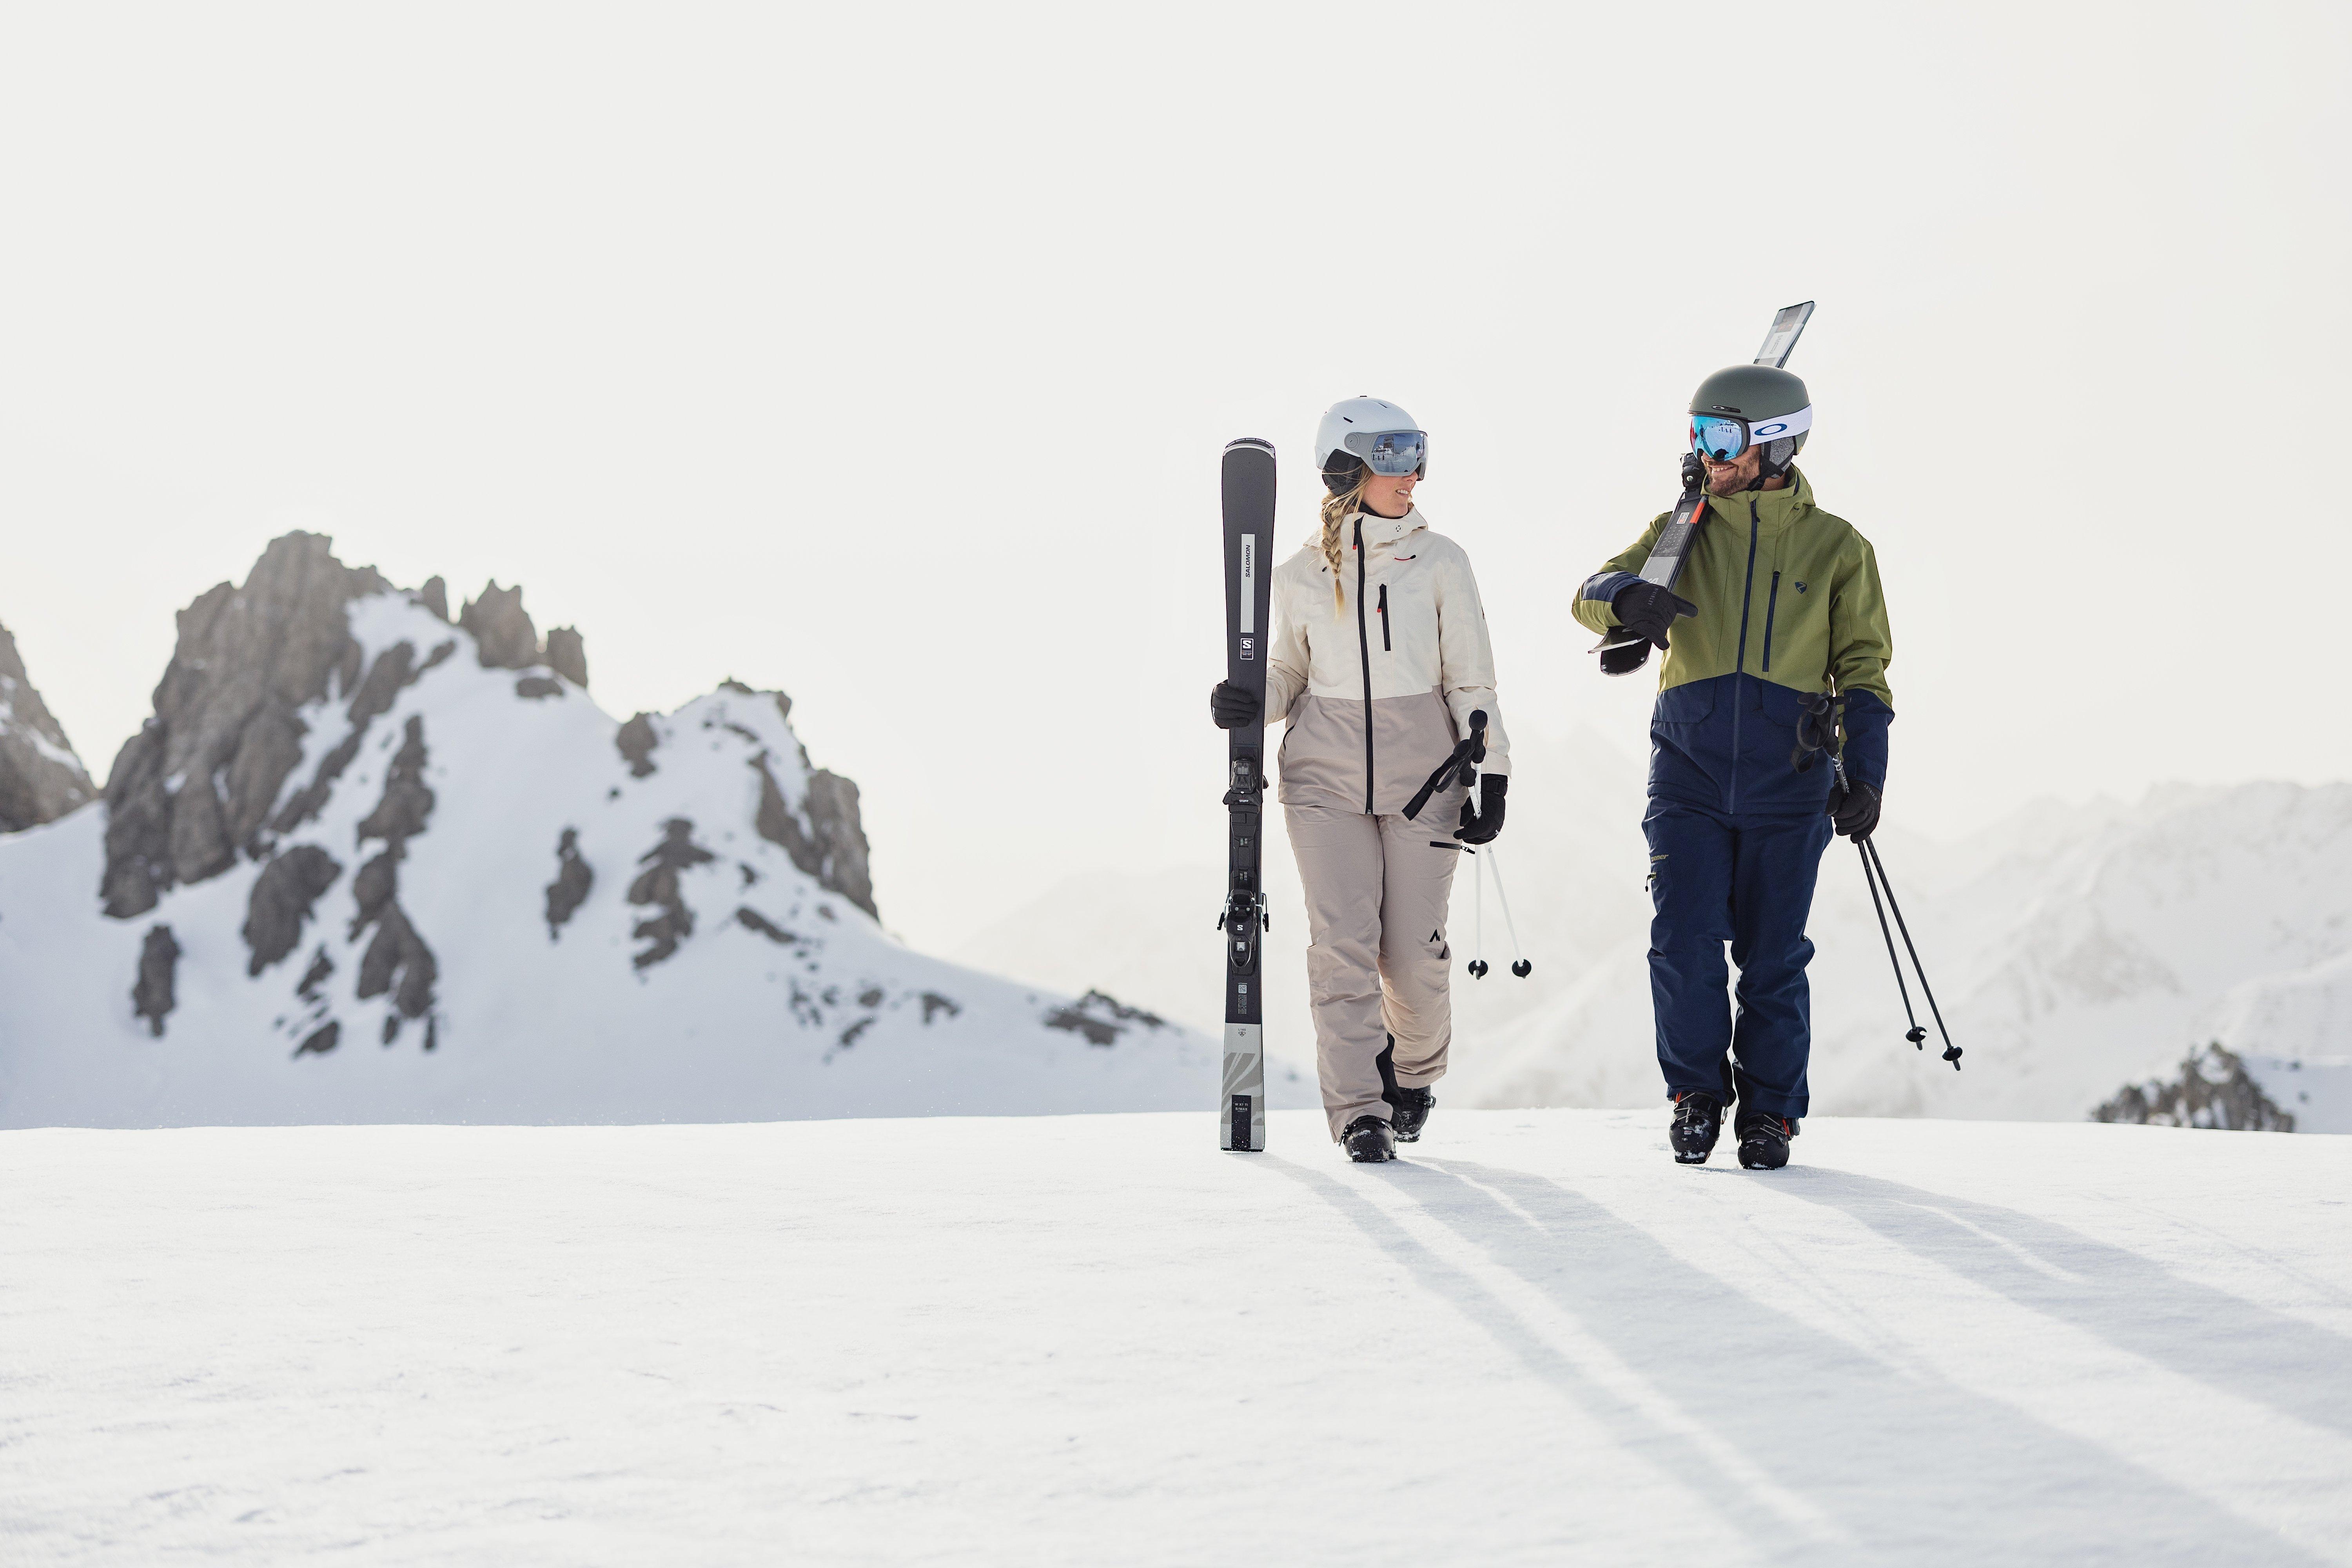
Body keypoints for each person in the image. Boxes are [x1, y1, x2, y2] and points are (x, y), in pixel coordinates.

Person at [1571, 365, 1892, 1171]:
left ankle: (1771, 1113)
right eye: (1698, 435)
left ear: (1777, 444)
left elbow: (1863, 668)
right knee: (1681, 941)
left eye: (1723, 438)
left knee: (1774, 956)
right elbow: (1589, 591)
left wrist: (1867, 772)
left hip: (1791, 777)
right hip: (1690, 769)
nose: (1706, 454)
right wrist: (1627, 598)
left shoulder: (1838, 548)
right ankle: (1696, 1096)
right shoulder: (1682, 530)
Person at [1209, 397, 1510, 1163]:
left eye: (1418, 454)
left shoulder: (1441, 561)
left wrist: (1493, 774)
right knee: (1342, 947)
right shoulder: (1299, 574)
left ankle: (1412, 1075)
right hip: (1324, 782)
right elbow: (1287, 672)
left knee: (1413, 959)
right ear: (1346, 469)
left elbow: (1472, 678)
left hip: (1426, 780)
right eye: (1393, 457)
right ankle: (1358, 1112)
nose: (1413, 474)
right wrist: (1250, 700)